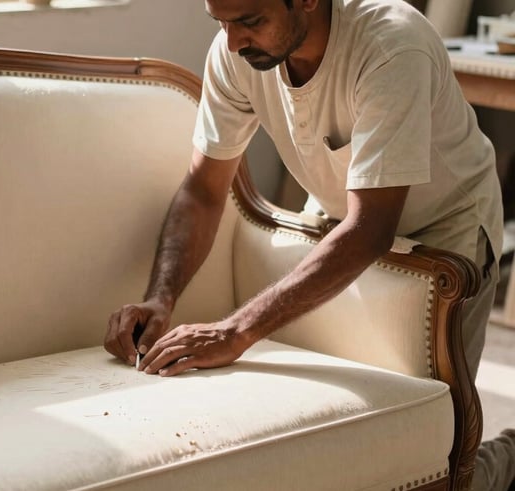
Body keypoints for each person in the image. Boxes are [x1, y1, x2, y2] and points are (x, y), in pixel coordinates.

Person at [102, 0, 514, 489]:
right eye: (222, 23)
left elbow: (371, 229)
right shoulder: (234, 52)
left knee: (440, 459)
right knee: (351, 440)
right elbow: (204, 190)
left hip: (444, 233)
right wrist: (161, 297)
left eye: (250, 21)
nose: (233, 41)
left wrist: (235, 331)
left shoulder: (391, 45)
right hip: (342, 218)